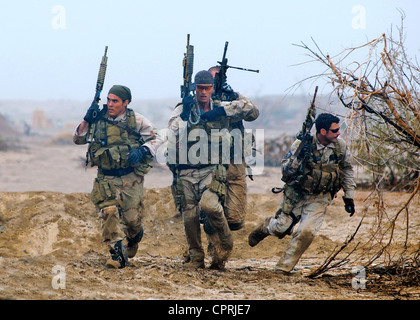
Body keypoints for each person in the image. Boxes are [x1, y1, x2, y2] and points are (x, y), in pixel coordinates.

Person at [167, 70, 258, 270]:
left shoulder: (222, 106)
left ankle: (226, 241)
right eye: (199, 88)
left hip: (213, 169)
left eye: (207, 88)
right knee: (189, 215)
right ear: (194, 89)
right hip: (187, 170)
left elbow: (251, 109)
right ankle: (196, 257)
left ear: (212, 89)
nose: (203, 92)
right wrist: (184, 116)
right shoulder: (185, 108)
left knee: (210, 206)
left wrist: (226, 106)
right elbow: (172, 131)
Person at [248, 113, 356, 274]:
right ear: (323, 131)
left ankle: (283, 268)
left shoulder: (339, 147)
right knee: (281, 228)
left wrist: (349, 196)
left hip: (320, 197)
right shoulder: (302, 144)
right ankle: (266, 227)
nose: (339, 133)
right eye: (334, 130)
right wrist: (299, 156)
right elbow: (285, 171)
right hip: (296, 194)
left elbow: (347, 169)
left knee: (306, 232)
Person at [73, 85, 162, 269]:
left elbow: (158, 137)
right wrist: (86, 119)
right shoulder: (98, 119)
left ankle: (134, 237)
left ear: (125, 102)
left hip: (131, 177)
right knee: (109, 212)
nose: (110, 104)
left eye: (115, 101)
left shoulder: (135, 120)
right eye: (109, 100)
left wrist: (143, 149)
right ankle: (117, 254)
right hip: (105, 177)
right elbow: (78, 138)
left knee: (132, 222)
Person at [208, 66, 259, 231]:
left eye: (219, 78)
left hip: (234, 157)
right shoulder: (202, 99)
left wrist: (234, 97)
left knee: (235, 219)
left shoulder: (234, 99)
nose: (216, 82)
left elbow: (253, 113)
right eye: (213, 79)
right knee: (208, 206)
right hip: (208, 157)